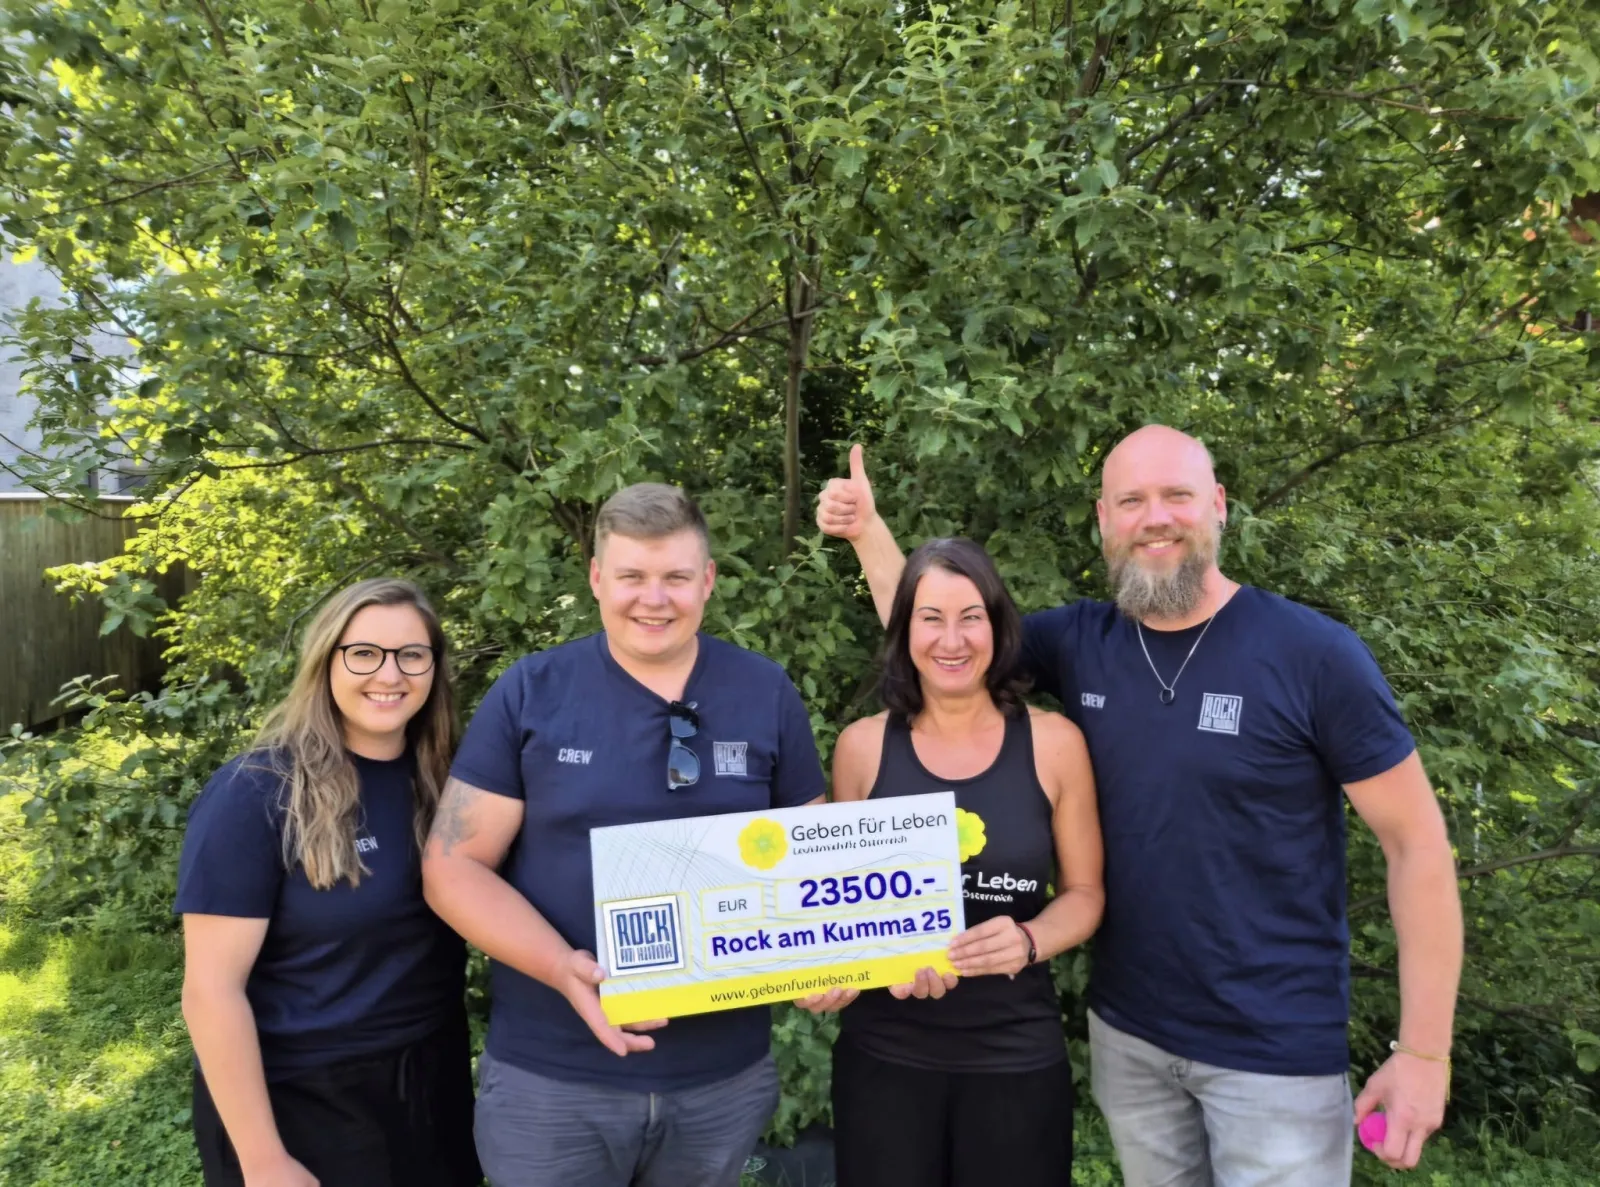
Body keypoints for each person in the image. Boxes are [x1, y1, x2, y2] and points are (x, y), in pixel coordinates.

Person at [816, 426, 1464, 1186]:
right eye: (1131, 501)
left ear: (1218, 505)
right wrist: (868, 532)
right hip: (1131, 1041)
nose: (1155, 517)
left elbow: (1417, 844)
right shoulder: (1083, 641)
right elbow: (943, 633)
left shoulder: (1314, 656)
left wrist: (1424, 1052)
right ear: (1104, 519)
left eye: (1176, 496)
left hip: (1275, 1055)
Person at [421, 482, 827, 1187]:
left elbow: (813, 861)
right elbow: (452, 868)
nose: (654, 598)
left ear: (708, 580)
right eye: (632, 576)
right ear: (597, 579)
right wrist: (562, 968)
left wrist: (831, 960)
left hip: (721, 1081)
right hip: (553, 1080)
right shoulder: (533, 691)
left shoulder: (765, 691)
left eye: (676, 577)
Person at [812, 536, 1104, 1187]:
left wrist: (1029, 938)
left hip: (1015, 1056)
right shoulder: (861, 747)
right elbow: (838, 909)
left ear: (998, 626)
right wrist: (831, 972)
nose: (952, 639)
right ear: (904, 630)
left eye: (971, 617)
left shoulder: (1054, 743)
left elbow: (1086, 893)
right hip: (883, 1055)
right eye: (931, 618)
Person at [176, 578, 479, 1187]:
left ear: (435, 667)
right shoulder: (257, 792)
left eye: (412, 654)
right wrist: (264, 1160)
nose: (389, 674)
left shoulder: (451, 784)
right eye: (364, 653)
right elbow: (210, 992)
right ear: (325, 660)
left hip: (433, 1085)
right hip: (303, 1100)